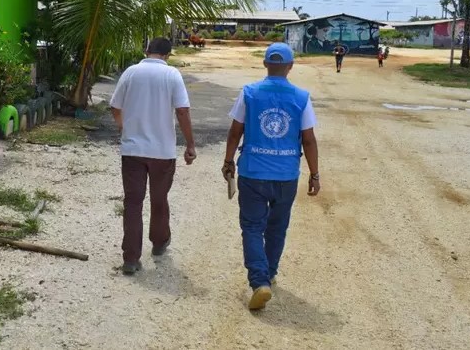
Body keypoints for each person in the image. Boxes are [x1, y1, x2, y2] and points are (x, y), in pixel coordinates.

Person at [221, 43, 320, 310]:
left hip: (253, 172)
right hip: (286, 175)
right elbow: (309, 140)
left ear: (265, 64)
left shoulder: (249, 93)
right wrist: (314, 174)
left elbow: (235, 131)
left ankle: (259, 281)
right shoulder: (301, 97)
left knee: (252, 226)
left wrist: (228, 161)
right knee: (277, 227)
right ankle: (270, 271)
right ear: (290, 66)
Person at [110, 37, 197, 275]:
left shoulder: (130, 72)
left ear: (146, 51)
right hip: (162, 152)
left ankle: (130, 258)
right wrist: (190, 144)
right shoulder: (172, 75)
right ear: (167, 55)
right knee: (159, 199)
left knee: (132, 202)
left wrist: (124, 128)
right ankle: (159, 242)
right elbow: (182, 111)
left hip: (133, 151)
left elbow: (115, 107)